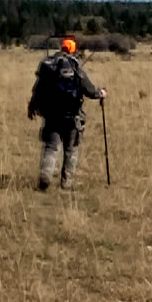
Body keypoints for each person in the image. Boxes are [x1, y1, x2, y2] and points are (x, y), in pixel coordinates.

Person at [27, 33, 106, 191]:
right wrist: (101, 93)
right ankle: (66, 183)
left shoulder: (49, 66)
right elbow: (90, 91)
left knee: (51, 147)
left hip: (52, 116)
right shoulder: (76, 67)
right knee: (71, 150)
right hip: (73, 117)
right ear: (74, 49)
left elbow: (38, 90)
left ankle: (45, 177)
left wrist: (32, 106)